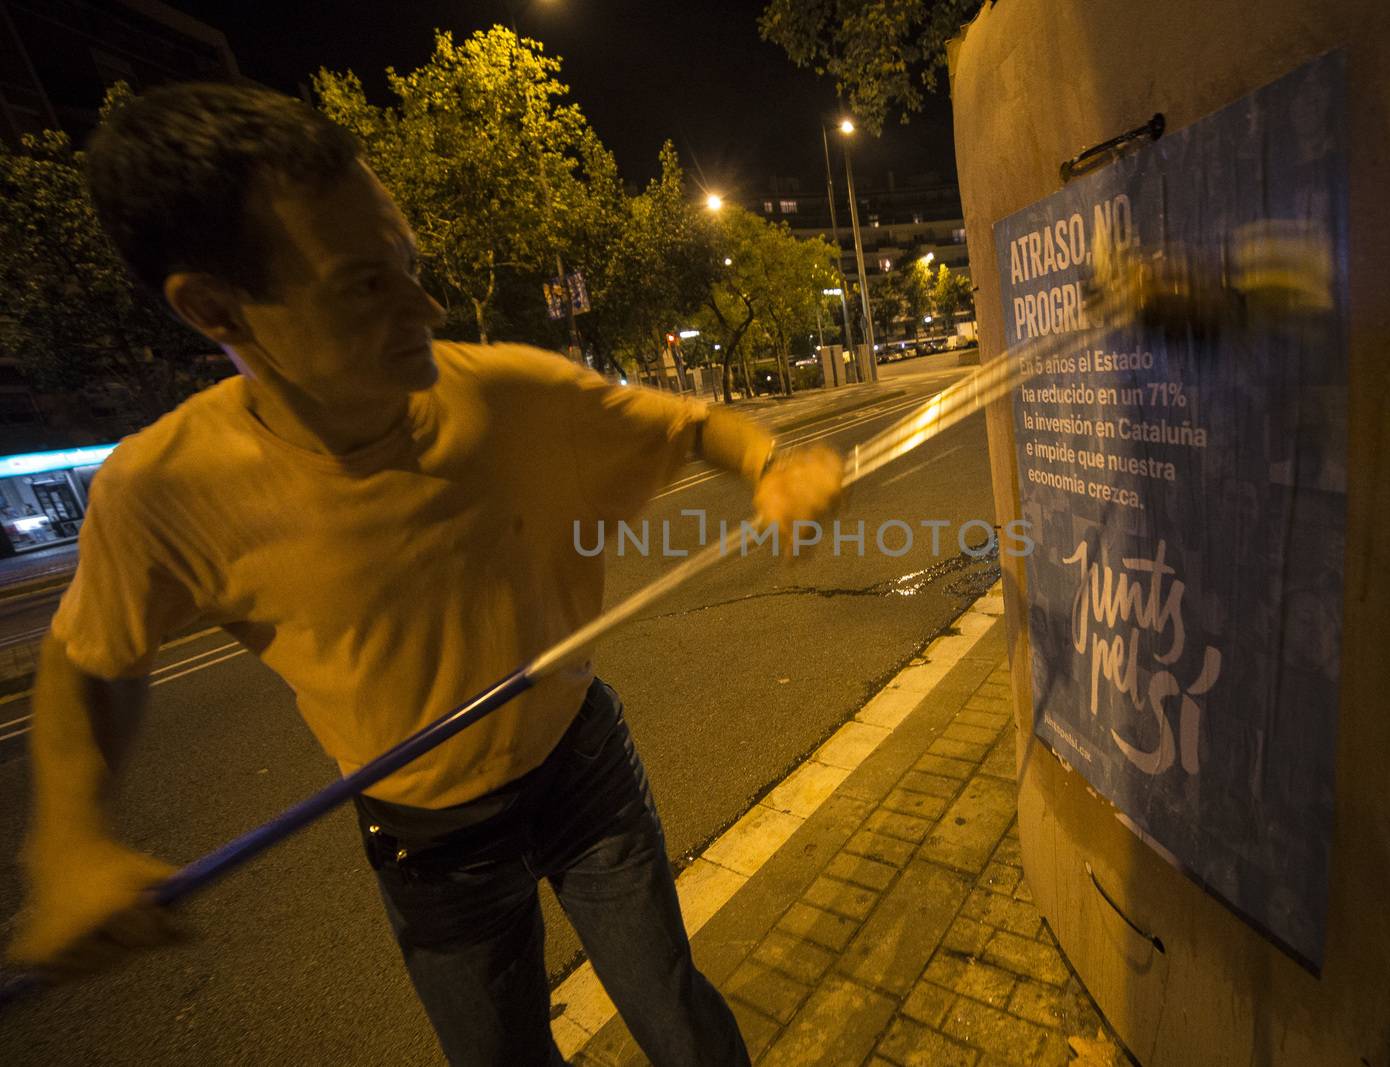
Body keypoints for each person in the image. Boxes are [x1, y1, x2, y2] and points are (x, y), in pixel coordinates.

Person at [5, 82, 843, 1066]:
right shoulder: (163, 491)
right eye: (365, 283)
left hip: (582, 768)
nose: (426, 305)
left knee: (679, 1019)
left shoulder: (505, 393)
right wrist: (64, 842)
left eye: (408, 262)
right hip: (430, 843)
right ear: (214, 305)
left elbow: (697, 424)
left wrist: (774, 463)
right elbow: (90, 658)